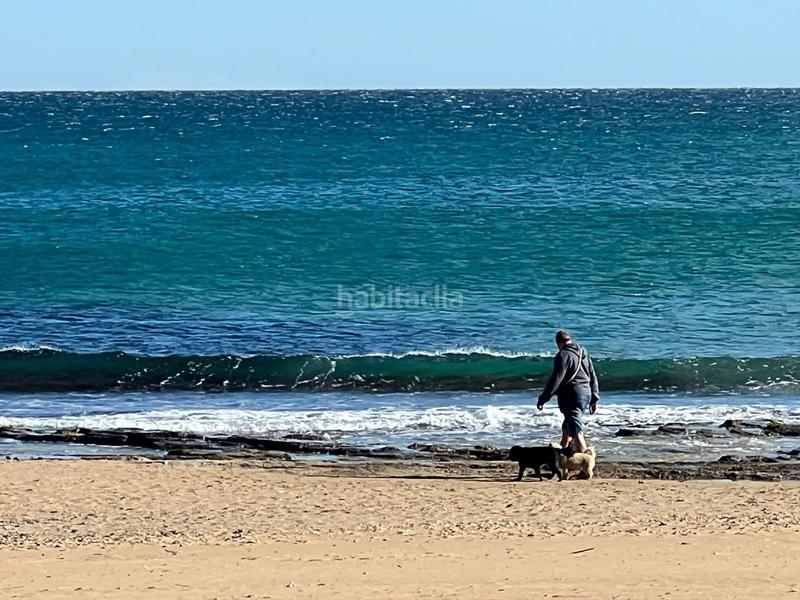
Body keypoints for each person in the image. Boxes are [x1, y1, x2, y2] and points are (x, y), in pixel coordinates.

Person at [536, 330, 599, 453]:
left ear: (558, 342)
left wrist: (543, 398)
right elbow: (592, 374)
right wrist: (594, 397)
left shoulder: (563, 355)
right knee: (567, 425)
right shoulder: (582, 351)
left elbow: (556, 379)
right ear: (570, 339)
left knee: (576, 431)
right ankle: (562, 456)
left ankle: (584, 465)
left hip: (571, 395)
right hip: (586, 393)